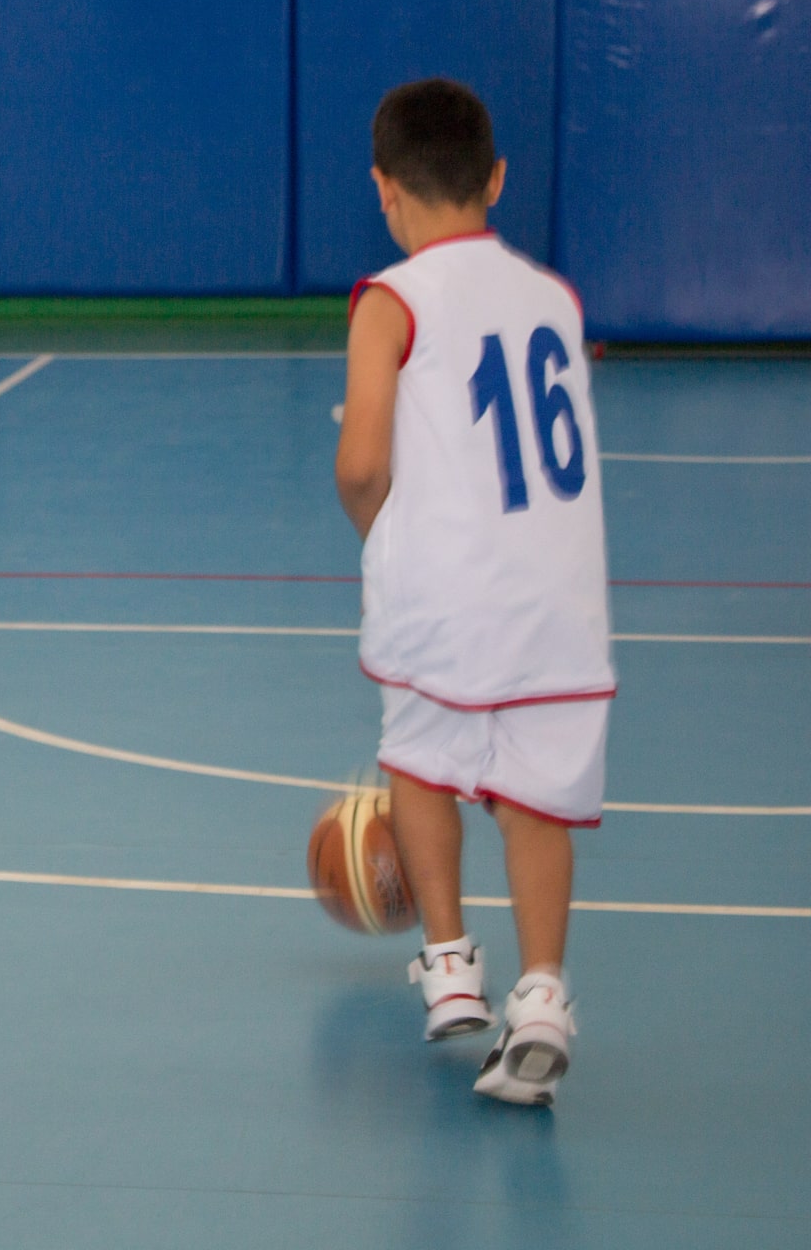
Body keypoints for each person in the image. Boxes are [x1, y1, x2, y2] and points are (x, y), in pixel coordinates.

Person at [335, 78, 611, 1107]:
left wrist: (380, 534)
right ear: (495, 178)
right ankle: (541, 997)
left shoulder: (390, 300)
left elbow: (363, 463)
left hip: (446, 591)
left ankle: (450, 963)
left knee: (419, 755)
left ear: (383, 188)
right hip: (560, 594)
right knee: (534, 796)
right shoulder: (555, 299)